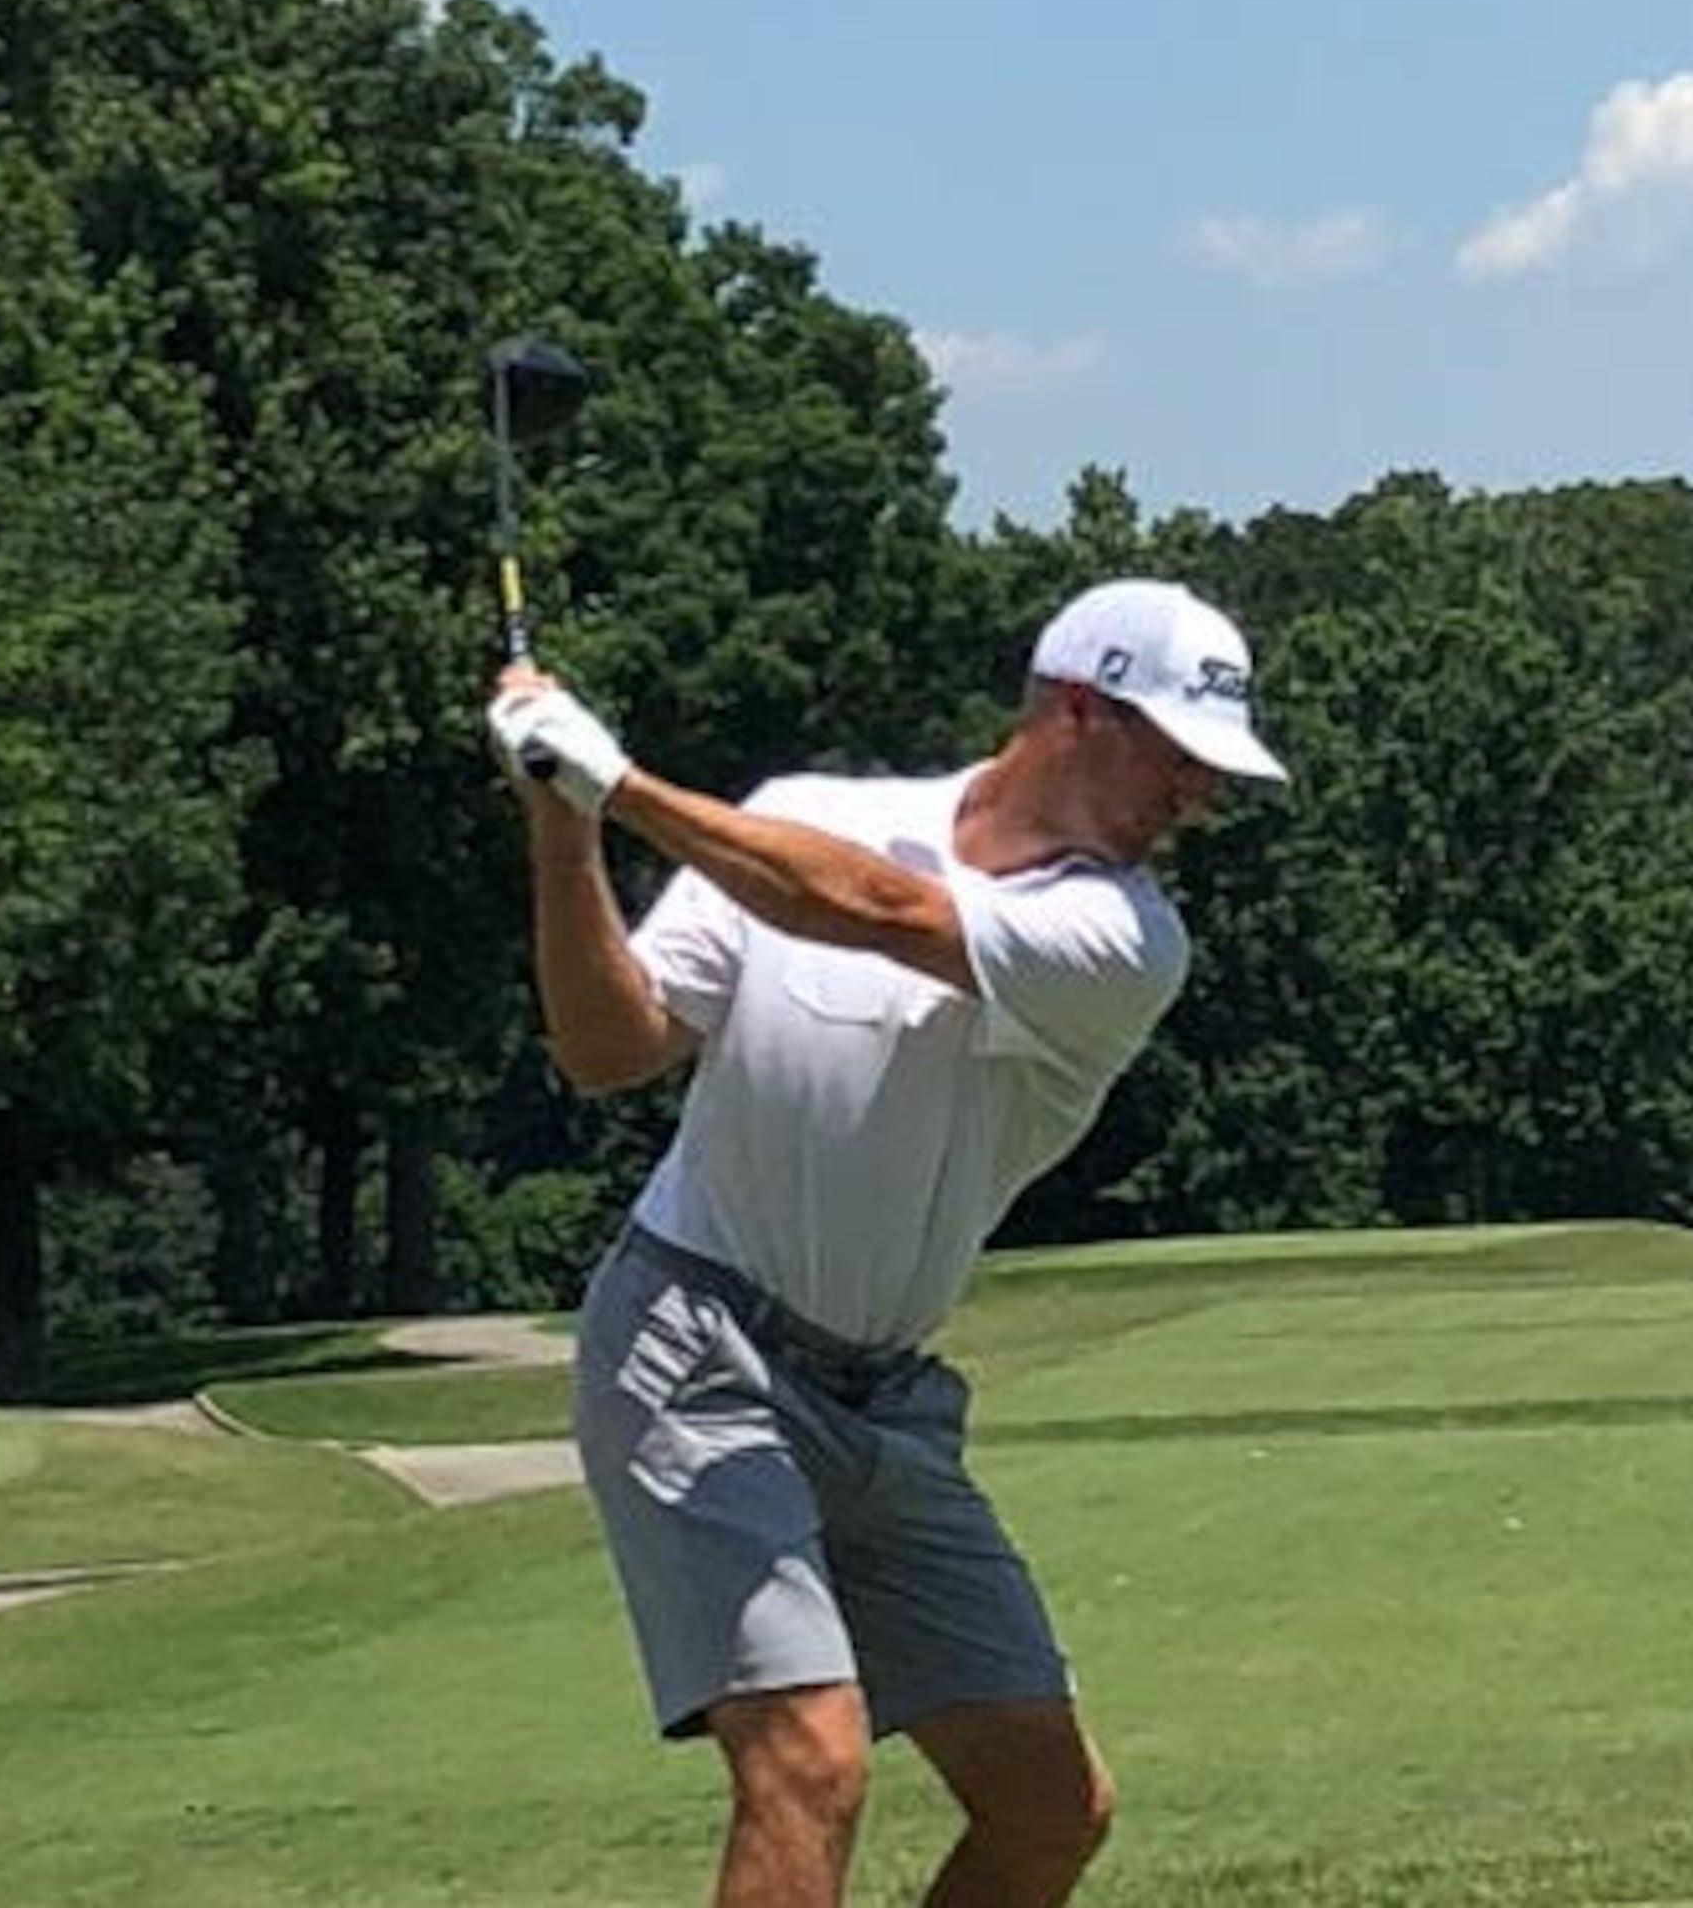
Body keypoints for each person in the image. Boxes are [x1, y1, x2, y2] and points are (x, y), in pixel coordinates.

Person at [488, 579, 1284, 1908]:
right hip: (696, 1347)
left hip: (889, 1403)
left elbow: (877, 914)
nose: (1196, 799)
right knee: (809, 1762)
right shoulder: (804, 818)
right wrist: (564, 835)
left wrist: (618, 782)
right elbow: (608, 1046)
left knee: (1050, 1812)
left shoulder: (1127, 937)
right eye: (1180, 758)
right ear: (1080, 710)